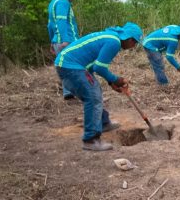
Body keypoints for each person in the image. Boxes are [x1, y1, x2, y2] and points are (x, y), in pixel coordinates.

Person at [54, 22, 143, 151]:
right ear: (129, 38)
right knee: (92, 97)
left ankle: (103, 122)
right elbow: (100, 67)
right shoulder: (114, 42)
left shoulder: (110, 37)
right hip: (70, 65)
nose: (133, 46)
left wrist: (111, 82)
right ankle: (91, 140)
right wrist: (116, 79)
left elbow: (94, 65)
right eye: (134, 43)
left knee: (95, 92)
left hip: (71, 64)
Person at [47, 0, 82, 99]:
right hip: (66, 41)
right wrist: (65, 40)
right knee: (74, 66)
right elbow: (61, 21)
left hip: (57, 40)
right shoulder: (63, 2)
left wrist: (52, 41)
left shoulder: (53, 3)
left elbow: (50, 25)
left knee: (64, 66)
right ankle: (76, 92)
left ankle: (68, 92)